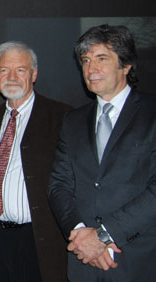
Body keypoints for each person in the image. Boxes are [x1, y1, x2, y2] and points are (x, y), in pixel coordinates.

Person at [47, 24, 156, 282]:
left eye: (101, 59)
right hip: (84, 262)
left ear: (126, 65)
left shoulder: (152, 114)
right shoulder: (72, 121)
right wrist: (81, 236)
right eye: (85, 60)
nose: (90, 69)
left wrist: (105, 235)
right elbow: (58, 185)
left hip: (138, 261)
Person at [0, 42, 72, 282]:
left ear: (34, 73)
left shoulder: (62, 118)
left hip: (37, 241)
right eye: (4, 70)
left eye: (20, 70)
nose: (11, 77)